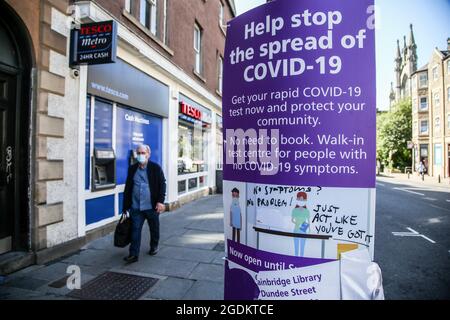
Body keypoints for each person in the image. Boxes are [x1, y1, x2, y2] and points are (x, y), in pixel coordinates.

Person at [122, 144, 166, 263]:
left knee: (154, 228)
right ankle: (133, 254)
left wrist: (160, 202)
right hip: (136, 207)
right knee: (135, 230)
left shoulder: (155, 168)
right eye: (139, 153)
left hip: (151, 206)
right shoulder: (132, 169)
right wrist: (126, 206)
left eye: (143, 153)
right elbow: (128, 188)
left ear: (148, 154)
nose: (141, 155)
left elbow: (162, 184)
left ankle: (154, 246)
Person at [291, 192, 310, 257]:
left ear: (305, 200)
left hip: (303, 230)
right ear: (297, 199)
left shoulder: (307, 211)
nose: (301, 201)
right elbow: (292, 220)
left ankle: (301, 256)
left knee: (302, 246)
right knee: (296, 245)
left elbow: (308, 221)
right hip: (296, 229)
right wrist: (297, 223)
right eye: (299, 199)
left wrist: (308, 229)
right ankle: (296, 256)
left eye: (303, 199)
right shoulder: (294, 210)